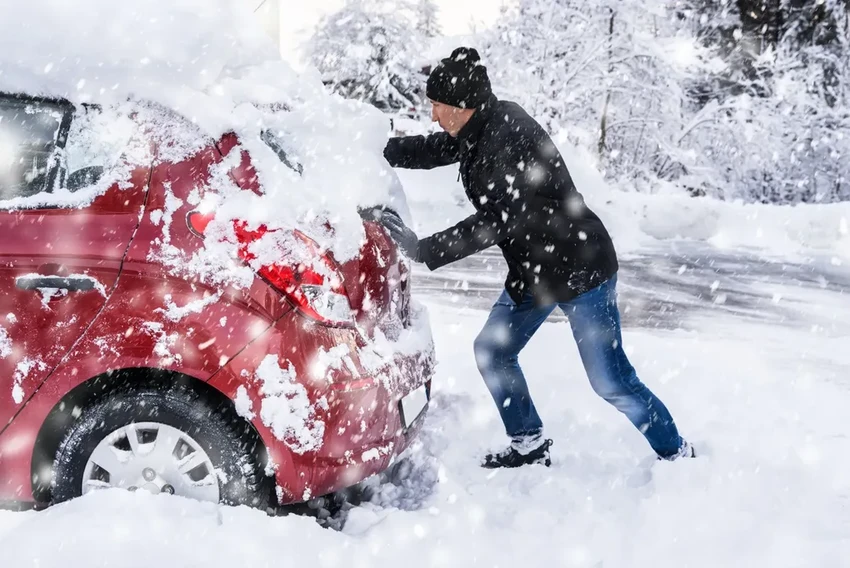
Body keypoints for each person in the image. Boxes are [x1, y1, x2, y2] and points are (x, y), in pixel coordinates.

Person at [378, 46, 694, 469]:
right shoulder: (480, 125)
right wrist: (382, 150)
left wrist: (423, 249)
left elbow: (493, 222)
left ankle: (677, 454)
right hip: (535, 271)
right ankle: (528, 444)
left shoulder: (505, 138)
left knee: (610, 380)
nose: (433, 115)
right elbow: (438, 148)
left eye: (437, 106)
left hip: (581, 268)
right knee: (493, 352)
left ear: (462, 106)